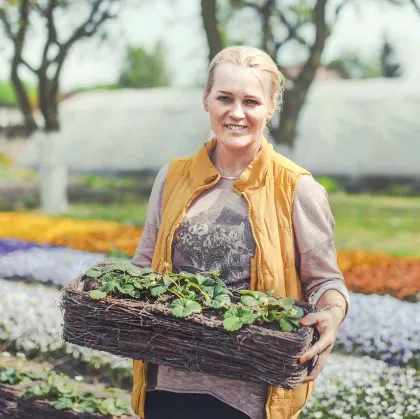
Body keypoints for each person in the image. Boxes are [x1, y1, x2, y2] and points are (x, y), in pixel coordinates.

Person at [130, 45, 349, 419]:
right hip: (168, 383)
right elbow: (144, 263)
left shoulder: (295, 187)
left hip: (248, 396)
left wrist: (331, 314)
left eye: (251, 101)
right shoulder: (173, 177)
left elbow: (325, 280)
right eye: (225, 98)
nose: (236, 113)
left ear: (271, 107)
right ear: (206, 99)